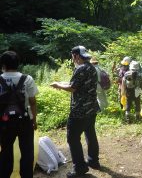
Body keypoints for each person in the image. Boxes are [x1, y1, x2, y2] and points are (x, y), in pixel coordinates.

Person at [50, 46, 101, 178]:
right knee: (90, 133)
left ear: (77, 56)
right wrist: (62, 83)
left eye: (73, 56)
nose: (72, 59)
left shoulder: (80, 68)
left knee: (72, 138)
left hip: (80, 110)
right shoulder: (91, 67)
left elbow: (72, 87)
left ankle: (80, 168)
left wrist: (57, 85)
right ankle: (93, 161)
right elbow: (79, 84)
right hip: (92, 108)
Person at [0, 51, 38, 178]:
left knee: (5, 151)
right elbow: (33, 102)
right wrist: (34, 120)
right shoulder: (28, 79)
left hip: (4, 122)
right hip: (25, 121)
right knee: (27, 152)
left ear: (3, 64)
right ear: (18, 64)